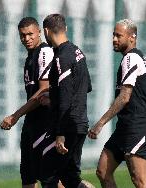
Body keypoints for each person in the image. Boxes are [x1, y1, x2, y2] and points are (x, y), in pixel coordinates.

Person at [88, 19, 146, 188]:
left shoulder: (131, 58)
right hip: (125, 126)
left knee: (139, 180)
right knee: (103, 171)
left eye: (119, 35)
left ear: (132, 37)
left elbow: (125, 97)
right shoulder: (129, 58)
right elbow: (125, 97)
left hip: (136, 125)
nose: (114, 39)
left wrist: (100, 123)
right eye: (113, 35)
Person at [0, 17, 64, 188]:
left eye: (30, 34)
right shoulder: (30, 57)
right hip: (31, 124)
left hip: (45, 124)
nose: (26, 39)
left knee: (50, 179)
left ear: (40, 33)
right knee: (28, 178)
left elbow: (43, 90)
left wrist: (15, 115)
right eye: (22, 35)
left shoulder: (44, 52)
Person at [41, 14, 94, 188]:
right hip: (79, 123)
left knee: (49, 175)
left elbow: (65, 96)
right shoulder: (77, 52)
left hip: (68, 126)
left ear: (46, 31)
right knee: (70, 177)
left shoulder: (61, 58)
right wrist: (54, 94)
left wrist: (61, 133)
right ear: (66, 29)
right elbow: (87, 87)